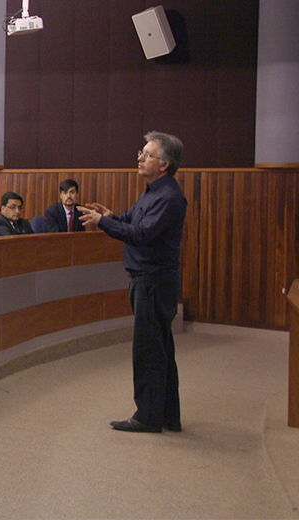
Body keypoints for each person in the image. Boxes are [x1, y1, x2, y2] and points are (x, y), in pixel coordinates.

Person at [79, 131, 187, 434]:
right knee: (159, 349)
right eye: (141, 152)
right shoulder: (152, 191)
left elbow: (141, 236)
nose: (139, 158)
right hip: (147, 280)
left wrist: (103, 224)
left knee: (149, 351)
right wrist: (110, 216)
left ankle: (148, 418)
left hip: (153, 281)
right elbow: (131, 221)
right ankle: (167, 415)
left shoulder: (169, 196)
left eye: (147, 154)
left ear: (164, 164)